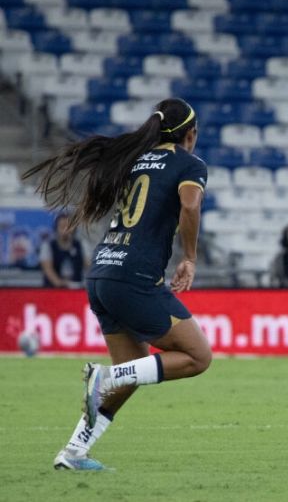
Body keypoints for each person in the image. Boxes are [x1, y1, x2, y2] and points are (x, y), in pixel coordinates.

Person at [23, 98, 212, 471]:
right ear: (191, 134)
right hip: (135, 277)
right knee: (197, 357)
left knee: (133, 372)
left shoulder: (133, 160)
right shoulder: (189, 163)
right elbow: (190, 206)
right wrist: (189, 257)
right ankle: (104, 376)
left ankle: (73, 452)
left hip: (102, 274)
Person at [39, 213, 89, 288]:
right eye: (62, 227)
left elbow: (89, 266)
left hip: (76, 290)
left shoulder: (81, 245)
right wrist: (62, 284)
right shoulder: (47, 245)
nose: (65, 230)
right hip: (52, 291)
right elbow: (47, 269)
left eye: (68, 227)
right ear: (56, 228)